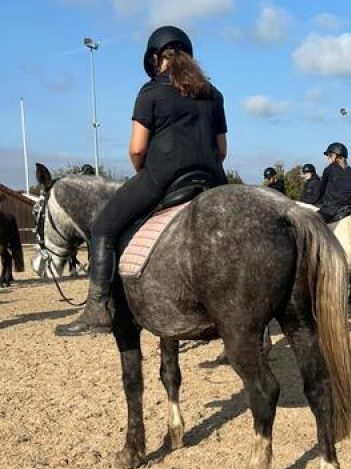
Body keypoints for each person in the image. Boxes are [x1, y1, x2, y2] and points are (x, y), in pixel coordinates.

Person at [55, 25, 227, 336]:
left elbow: (137, 149)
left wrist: (144, 170)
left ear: (155, 59)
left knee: (104, 227)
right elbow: (222, 149)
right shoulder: (214, 94)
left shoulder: (151, 91)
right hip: (213, 180)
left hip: (165, 179)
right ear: (189, 57)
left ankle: (97, 309)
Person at [318, 142, 351, 224]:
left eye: (329, 155)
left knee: (311, 223)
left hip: (331, 209)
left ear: (335, 156)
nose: (327, 158)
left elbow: (321, 190)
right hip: (349, 208)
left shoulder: (329, 169)